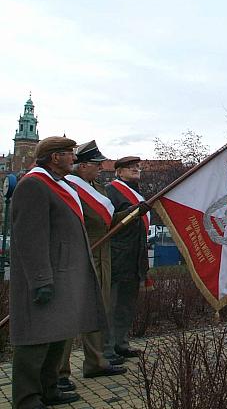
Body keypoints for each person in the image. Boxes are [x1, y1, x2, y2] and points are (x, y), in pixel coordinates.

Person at [10, 137, 105, 408]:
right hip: (46, 276)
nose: (74, 159)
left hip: (63, 275)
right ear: (55, 157)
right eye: (69, 154)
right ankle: (27, 399)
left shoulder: (56, 185)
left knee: (57, 335)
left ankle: (49, 389)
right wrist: (41, 280)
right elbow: (30, 238)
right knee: (35, 340)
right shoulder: (33, 185)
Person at [56, 141, 127, 391]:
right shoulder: (68, 187)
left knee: (98, 310)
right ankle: (59, 373)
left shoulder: (97, 188)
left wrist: (131, 214)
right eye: (96, 165)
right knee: (70, 314)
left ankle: (96, 362)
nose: (100, 169)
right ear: (82, 165)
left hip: (101, 254)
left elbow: (106, 221)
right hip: (80, 254)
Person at [105, 156, 150, 359]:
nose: (136, 169)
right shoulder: (111, 191)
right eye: (130, 167)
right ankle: (108, 348)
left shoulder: (136, 192)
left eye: (137, 167)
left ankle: (121, 343)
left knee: (126, 305)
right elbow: (110, 222)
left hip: (135, 255)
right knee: (113, 305)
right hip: (118, 255)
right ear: (119, 171)